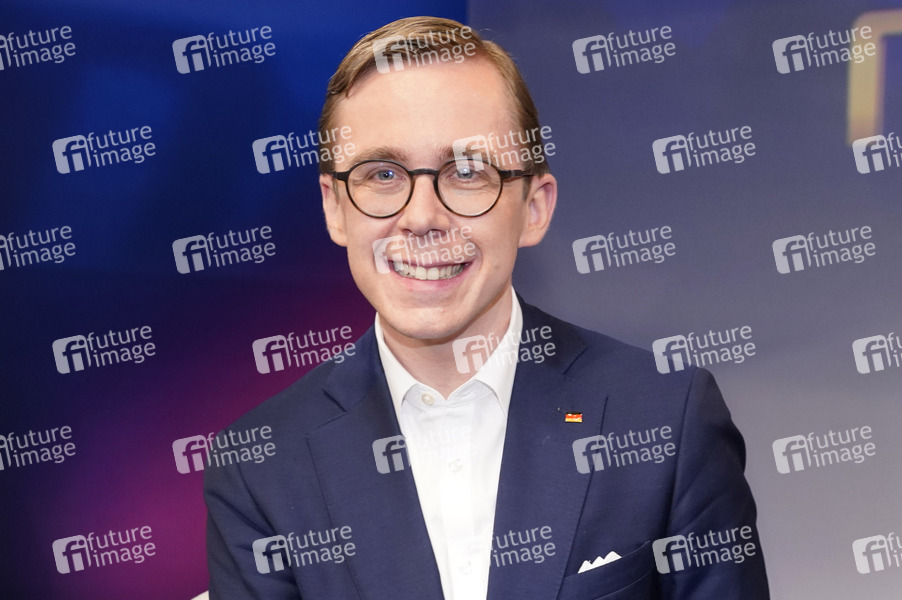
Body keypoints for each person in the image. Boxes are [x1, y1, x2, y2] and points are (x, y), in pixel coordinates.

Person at [205, 16, 770, 599]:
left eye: (467, 173)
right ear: (334, 207)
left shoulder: (667, 419)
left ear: (534, 207)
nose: (422, 217)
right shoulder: (258, 468)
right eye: (382, 174)